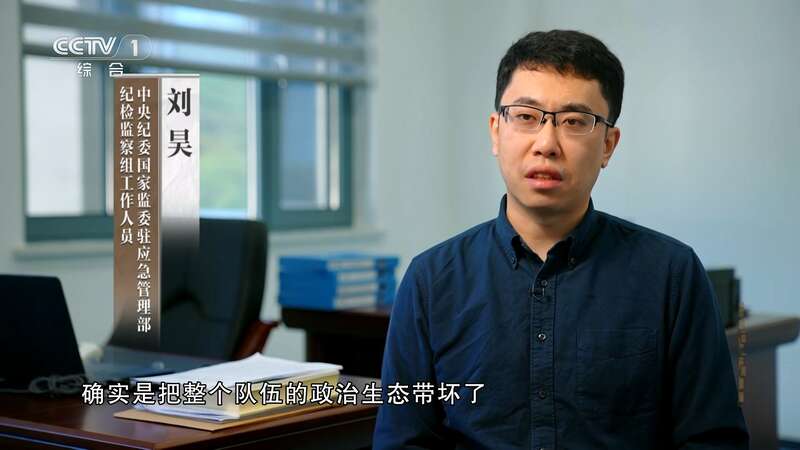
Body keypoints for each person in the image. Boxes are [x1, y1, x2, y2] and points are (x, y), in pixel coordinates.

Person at [373, 30, 749, 449]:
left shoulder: (671, 275)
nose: (546, 144)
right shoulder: (431, 280)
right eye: (526, 116)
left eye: (574, 122)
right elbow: (403, 440)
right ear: (496, 131)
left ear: (608, 145)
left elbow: (712, 439)